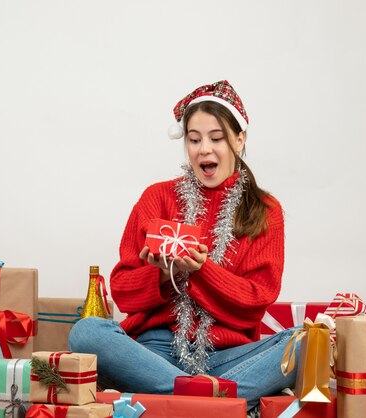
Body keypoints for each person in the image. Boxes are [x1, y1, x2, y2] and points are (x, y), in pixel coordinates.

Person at [69, 80, 298, 411]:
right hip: (154, 352)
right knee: (87, 333)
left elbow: (255, 300)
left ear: (239, 139)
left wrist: (200, 270)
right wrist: (164, 275)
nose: (204, 149)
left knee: (302, 342)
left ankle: (181, 402)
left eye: (216, 138)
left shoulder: (266, 211)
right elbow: (121, 291)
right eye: (194, 139)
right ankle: (215, 405)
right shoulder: (156, 197)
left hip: (228, 357)